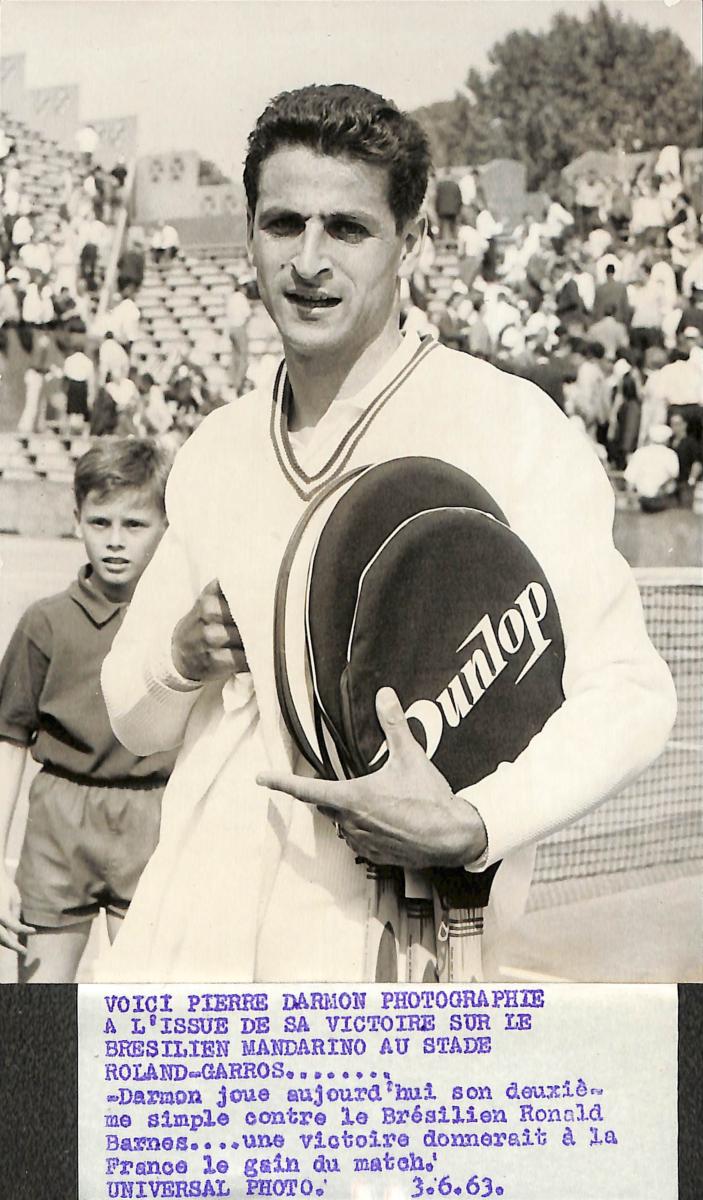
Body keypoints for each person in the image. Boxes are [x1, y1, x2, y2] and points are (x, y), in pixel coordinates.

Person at [97, 84, 676, 985]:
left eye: (347, 228)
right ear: (249, 234)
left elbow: (630, 691)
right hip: (186, 941)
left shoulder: (506, 425)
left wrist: (476, 820)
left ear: (412, 241)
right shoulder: (215, 447)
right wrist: (180, 659)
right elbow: (131, 722)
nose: (308, 261)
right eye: (283, 224)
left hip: (386, 949)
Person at [0, 440, 173, 982]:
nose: (115, 540)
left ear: (167, 525)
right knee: (41, 1010)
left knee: (143, 1006)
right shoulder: (45, 622)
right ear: (76, 519)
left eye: (134, 524)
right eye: (100, 522)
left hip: (151, 818)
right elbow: (9, 742)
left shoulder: (180, 625)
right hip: (59, 821)